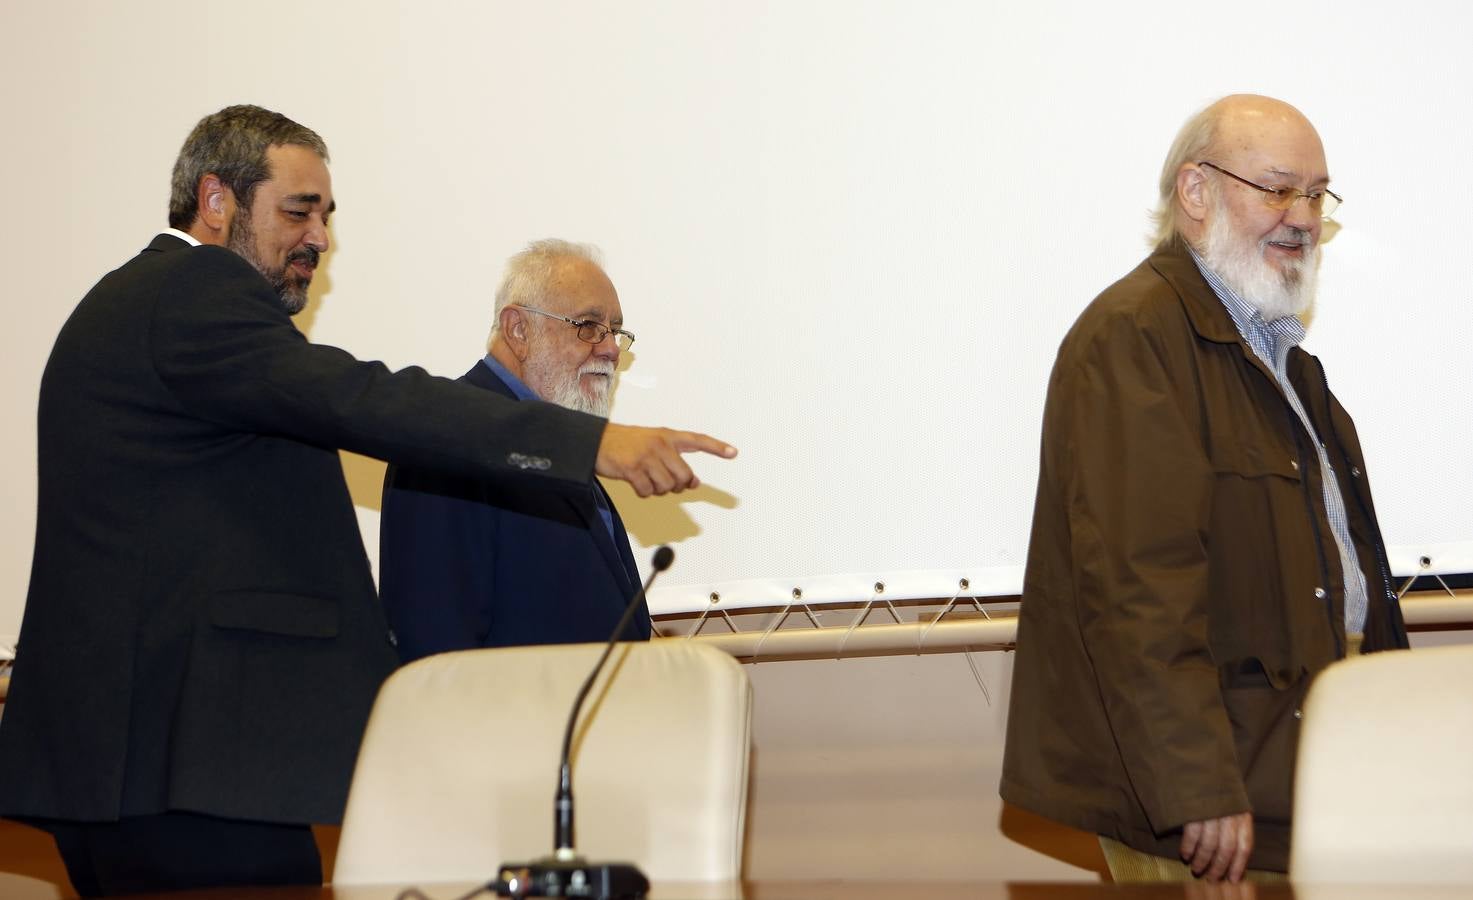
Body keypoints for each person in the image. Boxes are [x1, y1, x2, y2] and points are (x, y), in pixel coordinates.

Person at [0, 104, 734, 896]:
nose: (319, 236)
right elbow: (361, 398)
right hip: (175, 765)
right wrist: (586, 442)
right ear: (215, 203)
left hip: (166, 763)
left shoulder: (158, 306)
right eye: (297, 210)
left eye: (326, 215)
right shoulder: (188, 294)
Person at [999, 95, 1408, 883]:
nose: (1301, 217)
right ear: (1195, 193)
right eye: (1278, 188)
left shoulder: (1282, 359)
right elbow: (1136, 589)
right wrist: (1194, 785)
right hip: (1212, 807)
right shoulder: (1135, 338)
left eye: (1316, 195)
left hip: (1306, 779)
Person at [380, 240, 653, 661]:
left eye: (616, 330)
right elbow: (435, 648)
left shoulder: (558, 439)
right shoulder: (450, 436)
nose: (611, 349)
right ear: (518, 330)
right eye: (588, 326)